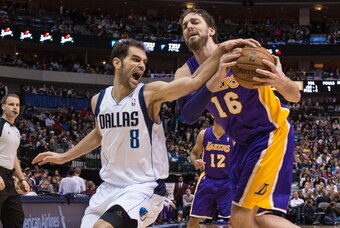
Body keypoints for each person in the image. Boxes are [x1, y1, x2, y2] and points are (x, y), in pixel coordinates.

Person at [32, 38, 254, 228]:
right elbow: (100, 135)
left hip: (143, 188)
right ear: (117, 63)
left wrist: (219, 51)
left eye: (144, 62)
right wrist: (63, 156)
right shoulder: (98, 101)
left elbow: (193, 82)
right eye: (135, 59)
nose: (142, 65)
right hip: (107, 189)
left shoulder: (149, 94)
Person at [175, 8, 301, 227]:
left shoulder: (241, 55)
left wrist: (281, 82)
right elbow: (187, 116)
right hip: (240, 144)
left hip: (269, 133)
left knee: (240, 215)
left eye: (195, 22)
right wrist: (212, 84)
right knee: (259, 217)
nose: (189, 27)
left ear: (211, 30)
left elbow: (295, 95)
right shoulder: (185, 73)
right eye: (185, 26)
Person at [188, 120, 233, 228]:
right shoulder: (203, 134)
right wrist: (195, 161)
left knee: (234, 219)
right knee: (194, 218)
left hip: (227, 182)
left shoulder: (233, 136)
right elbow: (194, 153)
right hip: (208, 179)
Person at [0, 94, 30, 227]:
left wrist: (22, 179)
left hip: (8, 178)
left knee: (16, 218)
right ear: (3, 106)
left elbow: (14, 157)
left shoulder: (16, 131)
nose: (15, 108)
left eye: (17, 105)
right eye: (11, 104)